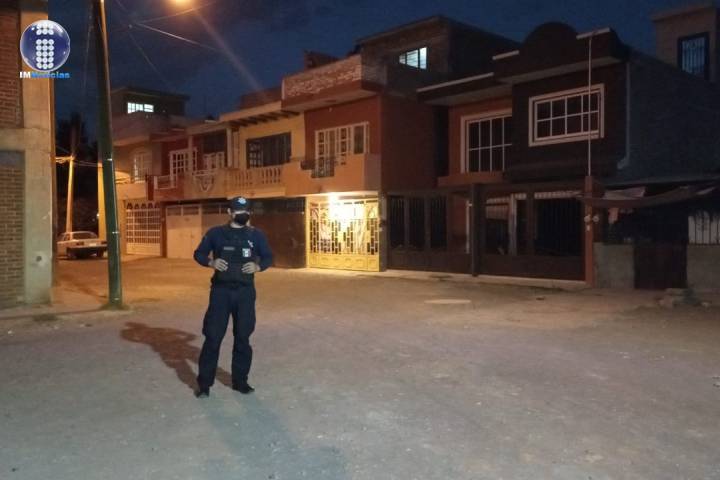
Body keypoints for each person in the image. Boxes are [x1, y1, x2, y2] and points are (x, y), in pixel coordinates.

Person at [192, 196, 273, 398]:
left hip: (245, 292)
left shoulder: (256, 235)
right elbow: (199, 254)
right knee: (213, 337)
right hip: (221, 292)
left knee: (243, 338)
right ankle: (204, 385)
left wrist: (258, 266)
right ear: (229, 212)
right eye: (238, 211)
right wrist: (211, 263)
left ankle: (240, 382)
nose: (242, 214)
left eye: (245, 211)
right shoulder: (216, 233)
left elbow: (268, 256)